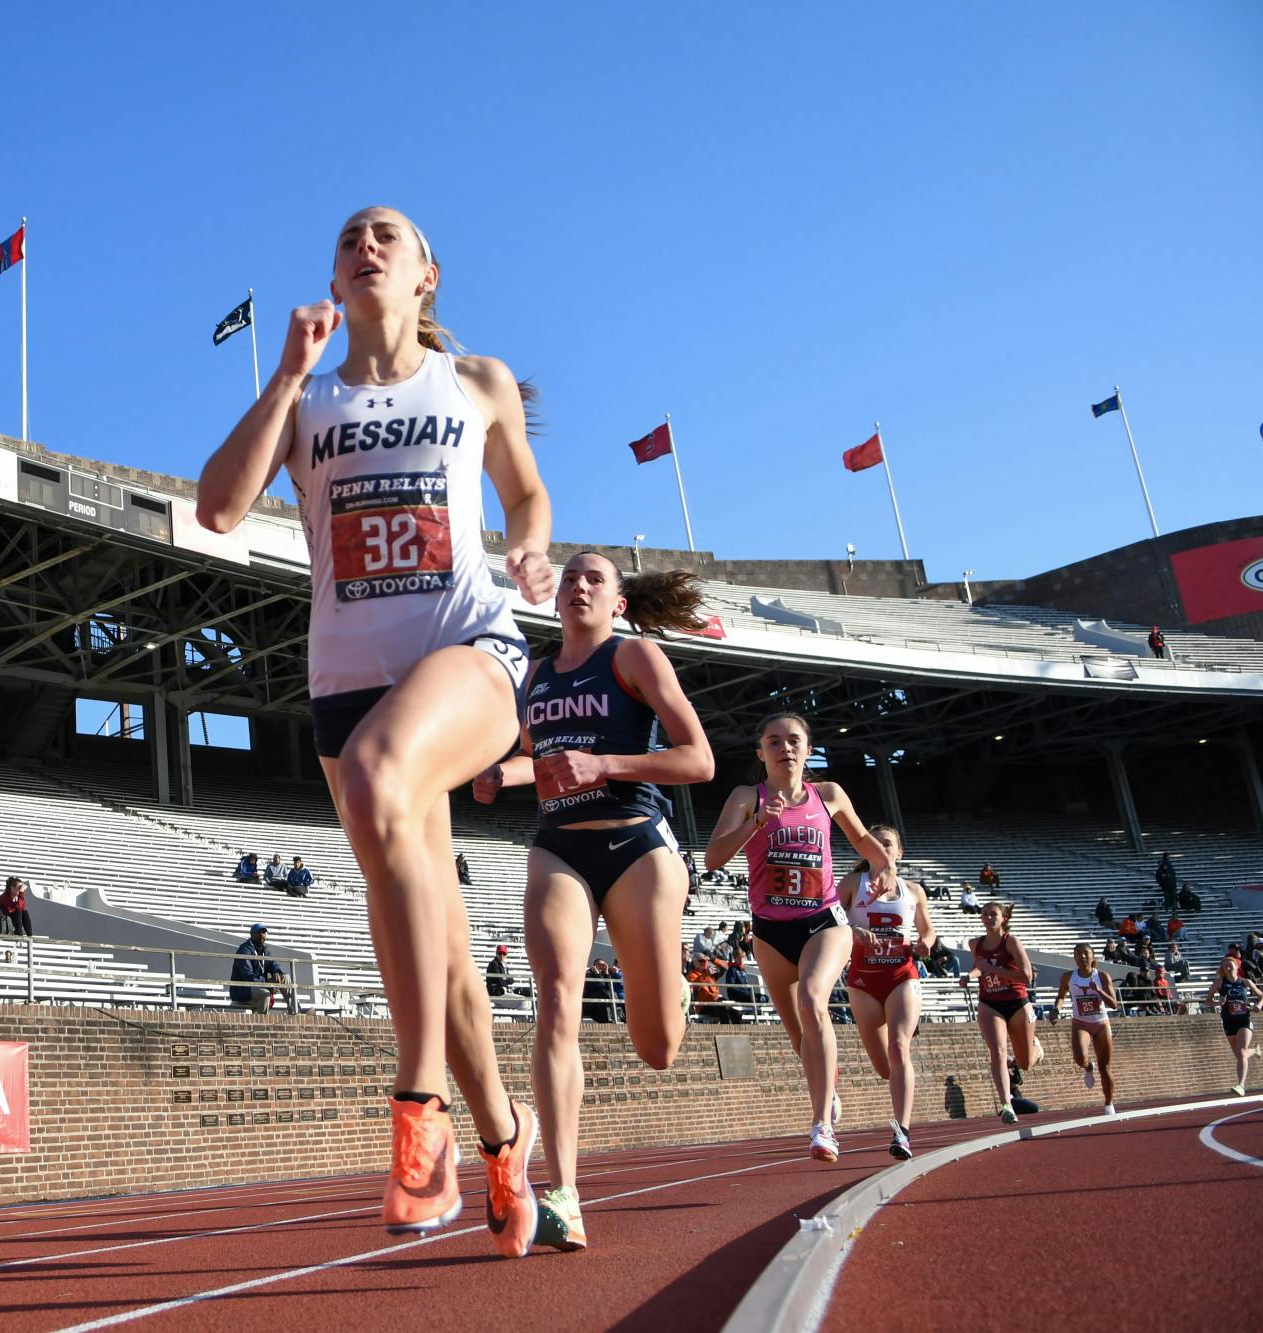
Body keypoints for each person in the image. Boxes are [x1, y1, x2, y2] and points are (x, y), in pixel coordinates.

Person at [196, 205, 554, 1254]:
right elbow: (218, 508)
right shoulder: (306, 403)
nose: (363, 245)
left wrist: (530, 553)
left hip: (466, 650)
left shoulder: (473, 382)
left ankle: (415, 1112)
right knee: (438, 951)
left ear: (424, 275)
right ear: (334, 279)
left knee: (378, 774)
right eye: (348, 238)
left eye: (384, 235)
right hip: (347, 684)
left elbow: (524, 494)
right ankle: (501, 1134)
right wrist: (280, 376)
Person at [471, 549, 715, 1250]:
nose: (578, 585)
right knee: (555, 999)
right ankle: (566, 1193)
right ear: (555, 599)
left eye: (594, 578)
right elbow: (533, 757)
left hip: (637, 842)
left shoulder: (633, 658)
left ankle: (675, 993)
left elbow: (697, 759)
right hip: (560, 845)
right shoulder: (538, 676)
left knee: (658, 1047)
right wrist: (499, 774)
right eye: (570, 577)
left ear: (619, 602)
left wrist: (606, 762)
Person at [705, 712, 894, 1164]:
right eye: (774, 741)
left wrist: (884, 865)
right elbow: (712, 858)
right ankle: (828, 1087)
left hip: (824, 921)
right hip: (769, 932)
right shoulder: (746, 796)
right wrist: (754, 823)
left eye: (794, 741)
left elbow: (863, 837)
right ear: (761, 753)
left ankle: (821, 1127)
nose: (784, 748)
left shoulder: (827, 795)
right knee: (798, 1035)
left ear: (808, 750)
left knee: (813, 1001)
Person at [837, 824, 935, 1159]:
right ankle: (899, 1095)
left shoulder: (913, 891)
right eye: (875, 843)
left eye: (888, 843)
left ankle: (902, 1133)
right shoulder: (853, 884)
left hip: (901, 975)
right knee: (883, 1066)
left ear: (899, 852)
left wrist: (926, 943)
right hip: (863, 980)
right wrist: (854, 931)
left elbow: (928, 930)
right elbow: (830, 919)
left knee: (899, 1047)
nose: (882, 848)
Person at [961, 901, 1039, 1124]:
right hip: (990, 1003)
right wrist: (971, 976)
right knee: (998, 1052)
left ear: (1003, 918)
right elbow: (979, 966)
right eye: (984, 914)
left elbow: (1027, 976)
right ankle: (1007, 1104)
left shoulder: (1011, 942)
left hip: (1017, 1002)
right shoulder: (975, 943)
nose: (988, 917)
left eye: (993, 914)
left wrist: (994, 969)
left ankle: (1036, 1049)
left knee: (1025, 1063)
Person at [1054, 942, 1121, 1114]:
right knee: (1079, 1058)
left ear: (1092, 956)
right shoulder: (1068, 977)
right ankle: (1087, 1067)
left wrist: (1098, 990)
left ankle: (1109, 1103)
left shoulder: (1102, 976)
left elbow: (1114, 1004)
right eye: (1078, 954)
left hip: (1101, 1023)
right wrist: (1056, 1009)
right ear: (1074, 958)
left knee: (1105, 1067)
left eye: (1086, 953)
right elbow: (1060, 996)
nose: (1082, 957)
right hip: (1080, 1022)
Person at [1205, 956, 1263, 1096]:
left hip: (1244, 1019)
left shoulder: (1246, 982)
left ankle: (1241, 1085)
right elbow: (1207, 1001)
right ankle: (1255, 1051)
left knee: (1242, 1052)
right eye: (1224, 965)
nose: (1227, 967)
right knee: (1239, 1055)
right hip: (1228, 1020)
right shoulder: (1219, 983)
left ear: (1237, 966)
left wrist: (1258, 1005)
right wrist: (1218, 1003)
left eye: (1230, 964)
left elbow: (1262, 996)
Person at [230, 923, 295, 1014]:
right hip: (243, 990)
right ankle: (263, 1024)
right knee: (265, 993)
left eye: (264, 932)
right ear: (252, 935)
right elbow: (249, 976)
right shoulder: (244, 950)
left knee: (285, 977)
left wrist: (276, 971)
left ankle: (293, 1009)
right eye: (259, 933)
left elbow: (273, 964)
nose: (262, 935)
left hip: (259, 986)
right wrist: (267, 984)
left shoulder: (265, 950)